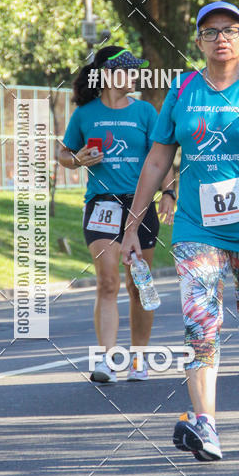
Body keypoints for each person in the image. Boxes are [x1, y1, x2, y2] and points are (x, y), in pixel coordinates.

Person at [120, 1, 239, 461]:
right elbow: (159, 159)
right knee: (201, 321)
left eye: (230, 29)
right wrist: (133, 223)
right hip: (196, 225)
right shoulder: (182, 89)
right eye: (210, 31)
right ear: (199, 42)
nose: (221, 37)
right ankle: (205, 425)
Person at [59, 45, 176, 384]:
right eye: (127, 70)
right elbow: (63, 154)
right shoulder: (85, 114)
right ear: (107, 75)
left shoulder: (146, 113)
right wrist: (77, 159)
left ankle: (138, 358)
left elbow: (160, 158)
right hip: (102, 206)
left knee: (137, 284)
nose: (135, 76)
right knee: (108, 283)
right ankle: (107, 360)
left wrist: (169, 191)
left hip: (140, 207)